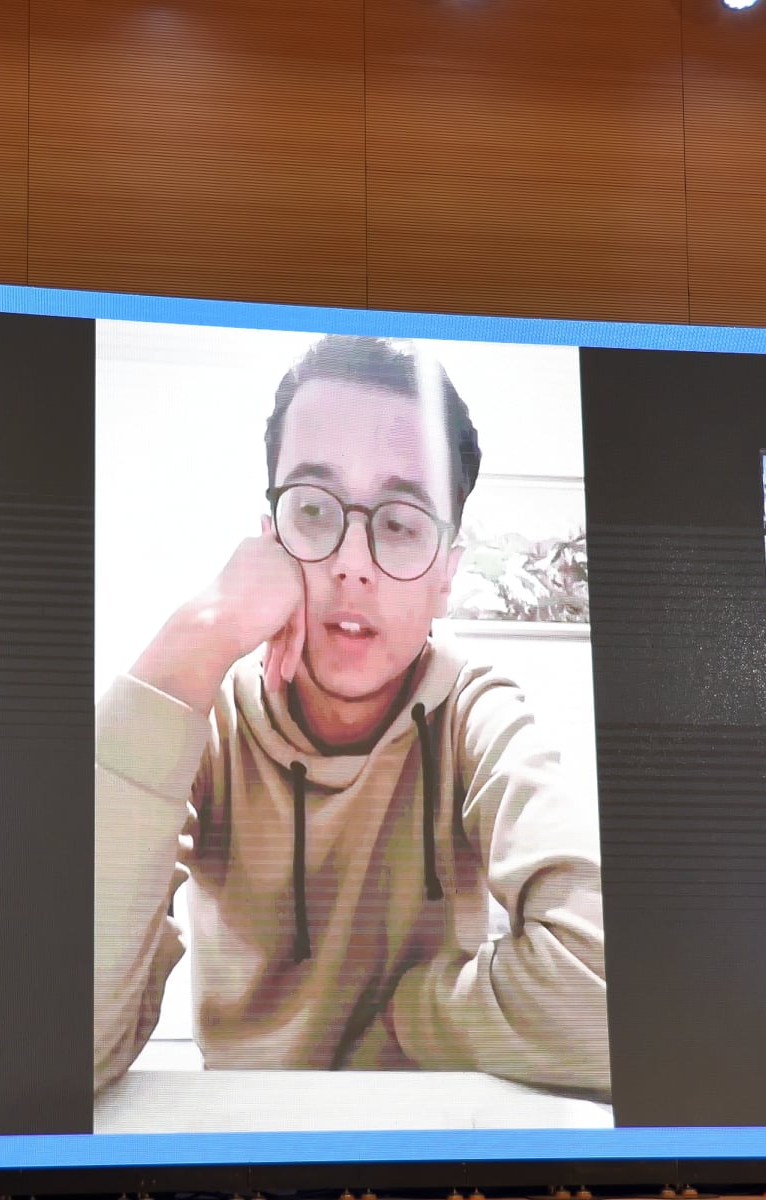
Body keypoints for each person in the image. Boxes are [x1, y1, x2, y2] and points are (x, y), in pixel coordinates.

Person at [94, 334, 608, 1095]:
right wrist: (200, 634)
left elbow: (608, 992)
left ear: (445, 577)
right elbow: (55, 1037)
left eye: (400, 522)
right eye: (314, 508)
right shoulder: (208, 722)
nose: (352, 563)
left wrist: (406, 1020)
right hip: (242, 1136)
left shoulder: (474, 713)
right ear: (269, 539)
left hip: (429, 1135)